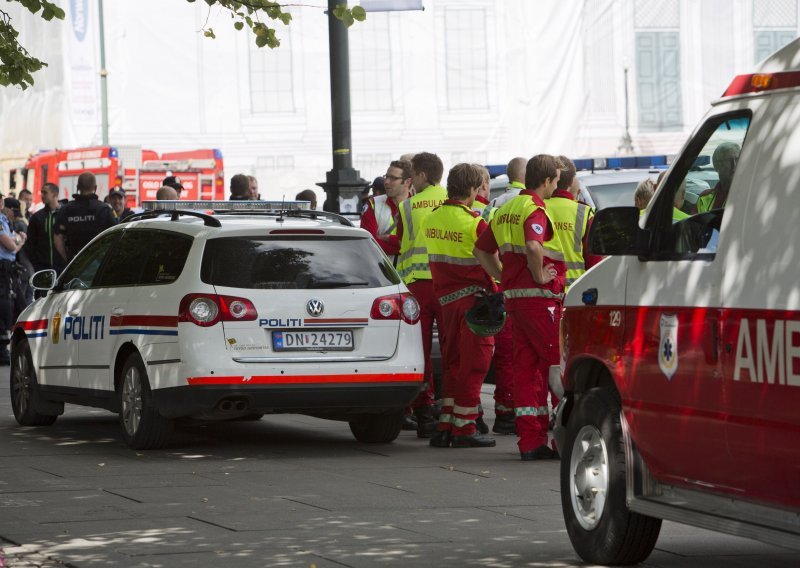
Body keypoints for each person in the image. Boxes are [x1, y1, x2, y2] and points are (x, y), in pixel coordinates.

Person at [474, 154, 566, 460]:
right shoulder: (534, 208)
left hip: (515, 301)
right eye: (555, 180)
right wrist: (540, 274)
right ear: (547, 181)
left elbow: (481, 250)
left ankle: (530, 441)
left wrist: (504, 277)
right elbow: (532, 245)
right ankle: (564, 439)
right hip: (540, 303)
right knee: (557, 367)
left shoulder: (506, 208)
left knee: (526, 372)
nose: (555, 185)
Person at [425, 163, 497, 448]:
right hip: (474, 303)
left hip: (446, 301)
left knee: (453, 362)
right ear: (471, 189)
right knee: (476, 364)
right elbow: (490, 261)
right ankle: (465, 427)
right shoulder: (474, 222)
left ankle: (447, 423)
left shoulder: (432, 219)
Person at [395, 152, 448, 437]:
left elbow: (400, 244)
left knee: (421, 351)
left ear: (423, 176)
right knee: (453, 350)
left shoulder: (407, 207)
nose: (410, 180)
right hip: (449, 283)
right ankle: (455, 411)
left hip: (417, 286)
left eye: (413, 174)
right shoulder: (455, 200)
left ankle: (424, 413)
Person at [547, 156, 600, 290]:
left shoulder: (535, 206)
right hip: (575, 292)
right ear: (571, 182)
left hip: (543, 291)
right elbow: (594, 263)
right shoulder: (584, 213)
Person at [53, 172, 115, 262]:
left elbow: (57, 239)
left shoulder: (66, 209)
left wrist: (68, 261)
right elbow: (114, 237)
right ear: (95, 188)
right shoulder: (103, 209)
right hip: (98, 262)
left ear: (77, 187)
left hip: (75, 263)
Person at [361, 160, 411, 264]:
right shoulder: (373, 204)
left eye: (393, 178)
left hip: (410, 276)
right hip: (382, 276)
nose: (386, 181)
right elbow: (368, 243)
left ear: (407, 182)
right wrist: (404, 247)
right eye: (386, 176)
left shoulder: (418, 206)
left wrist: (389, 239)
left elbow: (422, 243)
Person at [0, 204, 26, 365]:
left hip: (9, 270)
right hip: (3, 270)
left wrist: (17, 240)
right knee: (6, 308)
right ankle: (3, 348)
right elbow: (12, 246)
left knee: (19, 306)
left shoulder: (5, 221)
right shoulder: (1, 221)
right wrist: (20, 241)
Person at [24, 183, 65, 279]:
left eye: (45, 192)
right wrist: (36, 263)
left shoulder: (65, 214)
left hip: (63, 267)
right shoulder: (37, 217)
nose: (42, 195)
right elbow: (30, 243)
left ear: (55, 194)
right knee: (42, 294)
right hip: (41, 268)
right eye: (41, 192)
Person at [696, 142, 741, 213]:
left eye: (738, 160)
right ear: (716, 165)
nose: (734, 165)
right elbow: (694, 223)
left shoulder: (748, 196)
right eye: (729, 160)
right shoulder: (704, 197)